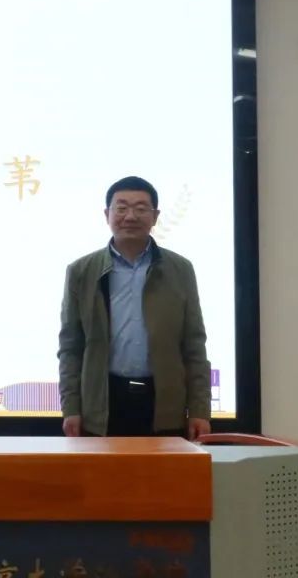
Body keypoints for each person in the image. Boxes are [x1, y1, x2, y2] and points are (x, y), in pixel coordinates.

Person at [58, 175, 211, 439]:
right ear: (107, 214)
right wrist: (71, 407)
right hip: (103, 402)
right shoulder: (81, 271)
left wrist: (199, 410)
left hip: (163, 403)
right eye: (121, 208)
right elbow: (70, 347)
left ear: (155, 216)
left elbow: (194, 345)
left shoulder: (180, 269)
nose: (130, 216)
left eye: (141, 208)